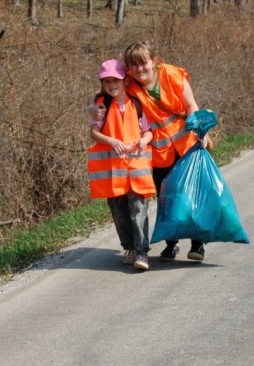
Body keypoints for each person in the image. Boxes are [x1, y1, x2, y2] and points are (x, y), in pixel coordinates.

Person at [90, 42, 211, 263]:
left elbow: (191, 106)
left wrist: (200, 132)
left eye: (143, 63)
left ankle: (197, 243)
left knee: (190, 194)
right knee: (166, 197)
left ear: (153, 61)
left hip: (186, 144)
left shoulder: (172, 75)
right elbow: (103, 92)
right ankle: (171, 244)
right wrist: (92, 107)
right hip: (159, 152)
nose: (139, 69)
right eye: (133, 65)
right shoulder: (131, 86)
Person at [88, 59, 155, 270]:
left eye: (115, 79)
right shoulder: (102, 105)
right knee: (119, 212)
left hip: (136, 168)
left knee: (138, 209)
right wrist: (110, 140)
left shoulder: (137, 103)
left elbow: (148, 131)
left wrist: (144, 141)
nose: (111, 84)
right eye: (106, 81)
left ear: (125, 80)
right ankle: (129, 247)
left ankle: (142, 252)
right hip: (114, 170)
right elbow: (93, 133)